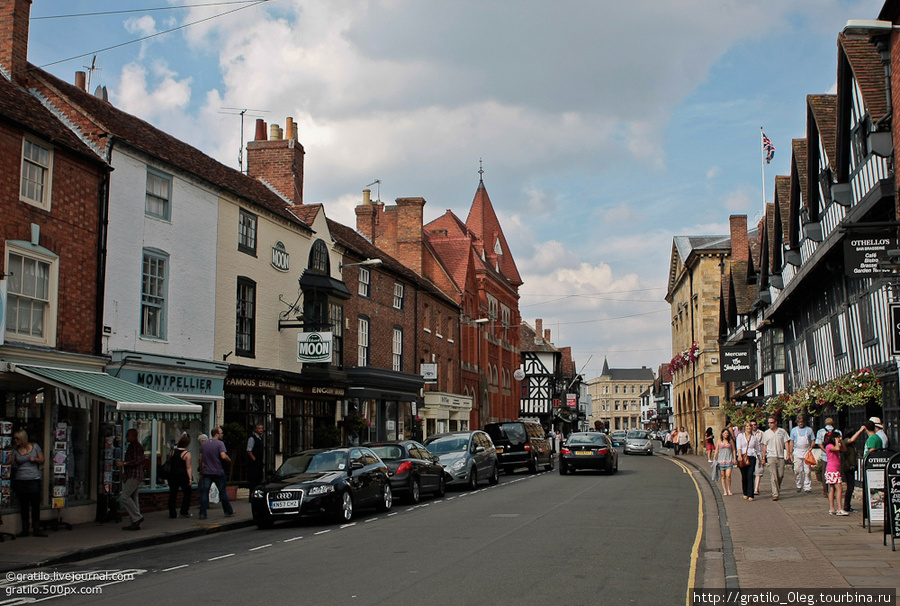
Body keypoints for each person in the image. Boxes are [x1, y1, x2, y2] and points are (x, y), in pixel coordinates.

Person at [12, 429, 46, 537]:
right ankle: (25, 529)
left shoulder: (35, 447)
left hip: (33, 479)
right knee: (24, 506)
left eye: (17, 438)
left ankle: (36, 528)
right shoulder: (15, 450)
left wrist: (35, 459)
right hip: (21, 479)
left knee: (35, 505)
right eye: (14, 438)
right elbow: (12, 463)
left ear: (23, 438)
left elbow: (42, 460)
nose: (15, 440)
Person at [199, 427, 234, 519]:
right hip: (218, 471)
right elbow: (223, 456)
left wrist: (202, 469)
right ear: (217, 434)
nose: (222, 435)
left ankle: (202, 513)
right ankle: (228, 511)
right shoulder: (220, 444)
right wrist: (229, 460)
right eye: (221, 433)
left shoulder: (204, 445)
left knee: (204, 492)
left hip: (207, 472)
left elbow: (200, 458)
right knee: (222, 492)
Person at [117, 428, 145, 531]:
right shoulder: (132, 446)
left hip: (135, 475)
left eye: (128, 435)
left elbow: (137, 461)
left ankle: (137, 517)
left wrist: (124, 463)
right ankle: (134, 522)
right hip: (131, 475)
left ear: (133, 436)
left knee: (125, 496)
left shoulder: (137, 447)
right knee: (133, 498)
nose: (126, 437)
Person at [760, 416, 792, 501]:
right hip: (771, 456)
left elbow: (786, 442)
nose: (770, 424)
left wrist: (788, 453)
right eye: (769, 423)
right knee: (773, 476)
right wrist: (763, 458)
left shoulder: (782, 432)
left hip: (780, 456)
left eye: (771, 422)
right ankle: (775, 494)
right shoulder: (766, 433)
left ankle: (777, 488)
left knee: (780, 475)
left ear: (776, 423)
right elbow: (764, 446)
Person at [168, 433, 193, 519]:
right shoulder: (187, 454)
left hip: (172, 475)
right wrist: (190, 478)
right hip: (183, 475)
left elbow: (169, 462)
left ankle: (172, 513)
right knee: (187, 493)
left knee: (173, 494)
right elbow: (188, 467)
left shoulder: (172, 452)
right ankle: (184, 511)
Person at [823, 432, 848, 515]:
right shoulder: (829, 446)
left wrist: (842, 442)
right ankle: (839, 508)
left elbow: (844, 450)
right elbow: (837, 449)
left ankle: (832, 508)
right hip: (832, 470)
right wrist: (837, 442)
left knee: (833, 489)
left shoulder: (835, 445)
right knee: (839, 488)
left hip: (835, 469)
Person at [815, 417, 840, 497]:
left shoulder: (820, 431)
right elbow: (840, 443)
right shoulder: (837, 432)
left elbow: (819, 443)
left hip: (825, 456)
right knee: (835, 473)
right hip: (835, 457)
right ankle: (834, 490)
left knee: (825, 473)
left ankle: (825, 491)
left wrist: (826, 450)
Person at [789, 415, 815, 493]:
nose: (801, 423)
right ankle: (798, 484)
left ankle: (807, 486)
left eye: (802, 422)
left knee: (807, 471)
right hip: (797, 451)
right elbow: (791, 442)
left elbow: (813, 440)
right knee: (797, 470)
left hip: (806, 451)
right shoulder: (794, 430)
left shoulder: (809, 430)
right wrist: (790, 453)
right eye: (800, 422)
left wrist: (811, 447)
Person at [736, 422, 760, 501]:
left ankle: (751, 495)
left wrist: (760, 459)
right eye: (747, 426)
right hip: (742, 457)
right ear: (745, 427)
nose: (749, 428)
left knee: (750, 475)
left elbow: (757, 449)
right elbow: (738, 447)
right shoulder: (740, 436)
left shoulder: (754, 437)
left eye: (750, 426)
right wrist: (739, 456)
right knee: (744, 476)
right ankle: (745, 492)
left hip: (752, 457)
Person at [840, 428, 861, 513]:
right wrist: (860, 430)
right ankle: (846, 506)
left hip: (852, 466)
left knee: (851, 488)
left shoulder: (852, 446)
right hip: (847, 467)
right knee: (850, 487)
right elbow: (852, 439)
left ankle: (847, 505)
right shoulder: (845, 441)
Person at [714, 428, 736, 496]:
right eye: (725, 433)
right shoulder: (719, 441)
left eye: (727, 433)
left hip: (729, 460)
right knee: (723, 476)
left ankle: (729, 489)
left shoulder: (730, 441)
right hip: (721, 461)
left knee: (728, 476)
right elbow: (716, 451)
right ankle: (725, 490)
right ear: (722, 434)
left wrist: (735, 459)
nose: (726, 434)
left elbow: (734, 450)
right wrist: (715, 459)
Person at [246, 423, 264, 501]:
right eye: (259, 428)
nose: (261, 430)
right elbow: (249, 450)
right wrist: (254, 459)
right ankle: (252, 496)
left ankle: (257, 496)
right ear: (255, 429)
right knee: (253, 480)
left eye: (262, 428)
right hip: (254, 463)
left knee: (259, 479)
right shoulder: (252, 439)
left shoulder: (260, 439)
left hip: (259, 461)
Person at [751, 420, 764, 495]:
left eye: (755, 424)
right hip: (751, 454)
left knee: (758, 472)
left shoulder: (762, 433)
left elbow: (764, 445)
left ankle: (756, 489)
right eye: (752, 425)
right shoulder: (748, 434)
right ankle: (751, 487)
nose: (753, 426)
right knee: (751, 473)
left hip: (759, 454)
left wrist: (764, 456)